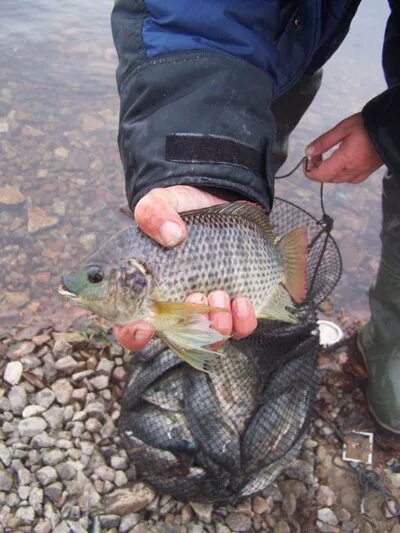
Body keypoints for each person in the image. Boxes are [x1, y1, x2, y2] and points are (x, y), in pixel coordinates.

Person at [111, 2, 400, 434]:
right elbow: (193, 15)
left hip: (306, 42)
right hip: (256, 44)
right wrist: (201, 169)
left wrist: (388, 129)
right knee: (251, 161)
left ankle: (391, 348)